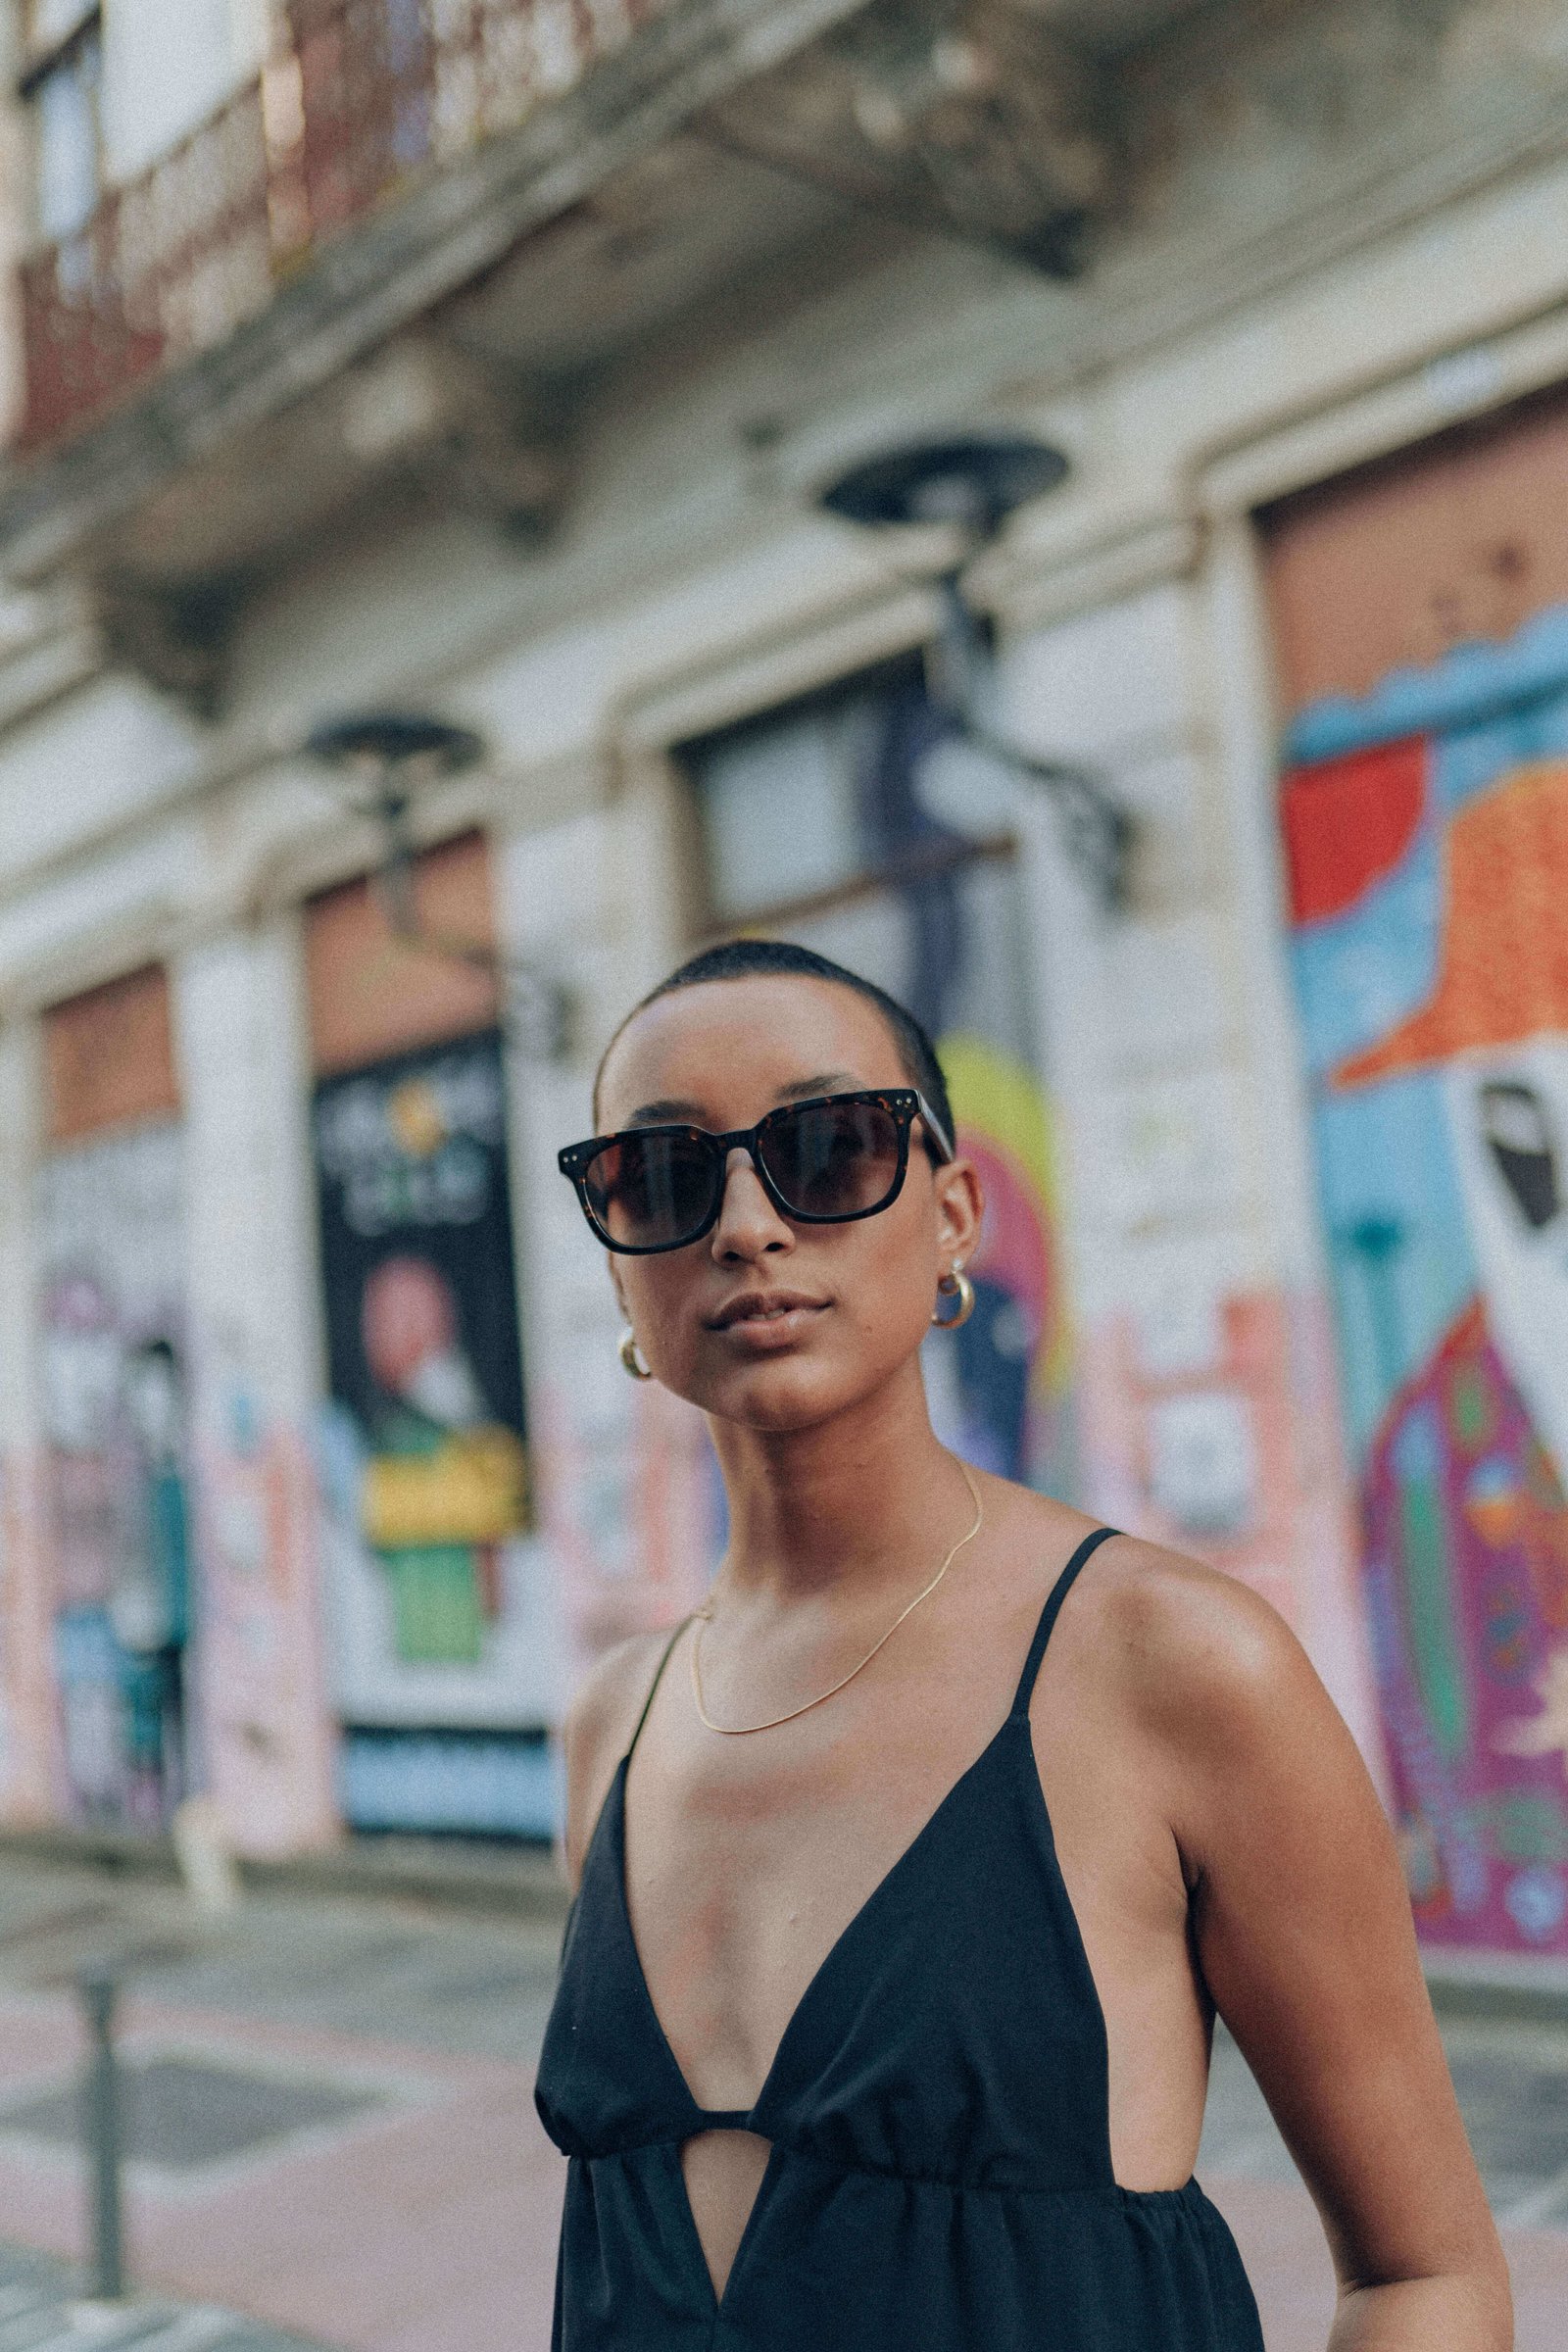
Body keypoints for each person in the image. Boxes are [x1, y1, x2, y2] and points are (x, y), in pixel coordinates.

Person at [534, 938, 1510, 2350]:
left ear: (952, 1215)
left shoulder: (1171, 1666)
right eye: (665, 1174)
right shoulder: (613, 1722)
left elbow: (1426, 2276)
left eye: (827, 1146)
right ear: (619, 1265)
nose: (746, 1223)